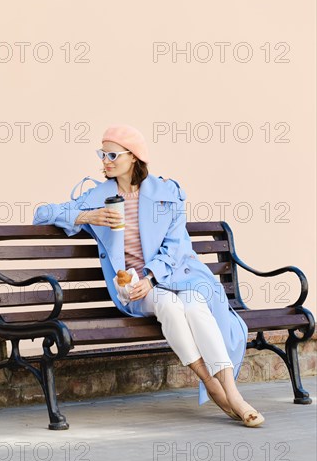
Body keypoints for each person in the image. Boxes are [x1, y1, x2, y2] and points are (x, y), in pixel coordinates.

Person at [33, 124, 264, 427]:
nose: (105, 160)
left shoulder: (166, 193)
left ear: (134, 156)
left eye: (112, 154)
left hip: (177, 276)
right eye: (102, 154)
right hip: (133, 288)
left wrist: (151, 277)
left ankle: (232, 393)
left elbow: (178, 246)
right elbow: (42, 214)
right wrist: (85, 216)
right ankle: (210, 383)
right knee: (168, 306)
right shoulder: (98, 196)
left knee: (194, 304)